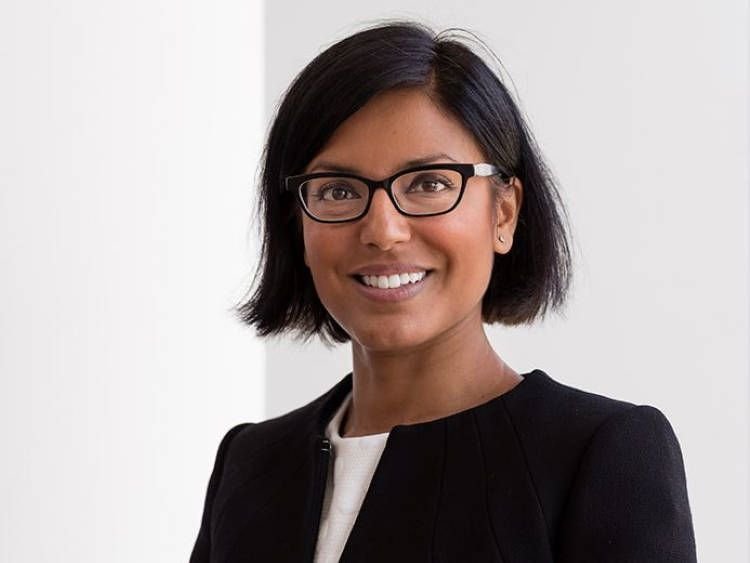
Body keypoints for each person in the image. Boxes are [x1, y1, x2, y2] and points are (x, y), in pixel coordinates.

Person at [190, 21, 696, 563]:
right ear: (298, 224)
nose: (383, 230)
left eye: (429, 183)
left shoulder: (600, 454)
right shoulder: (250, 464)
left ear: (504, 213)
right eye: (337, 190)